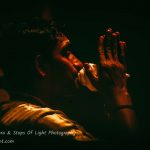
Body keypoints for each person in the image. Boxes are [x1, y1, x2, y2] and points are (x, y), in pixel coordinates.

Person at [0, 18, 137, 145]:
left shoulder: (11, 112)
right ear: (40, 66)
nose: (78, 63)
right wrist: (119, 90)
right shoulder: (46, 122)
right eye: (66, 53)